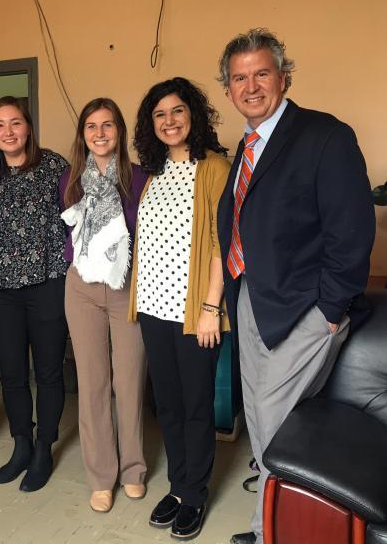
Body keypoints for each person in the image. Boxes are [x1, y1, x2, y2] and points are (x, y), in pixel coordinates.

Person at [215, 29, 375, 544]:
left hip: (304, 309)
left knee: (276, 427)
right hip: (253, 300)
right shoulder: (247, 145)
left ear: (283, 77)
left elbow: (351, 233)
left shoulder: (324, 135)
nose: (251, 86)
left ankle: (275, 534)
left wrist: (329, 311)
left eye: (262, 73)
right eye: (239, 78)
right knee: (261, 427)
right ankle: (270, 529)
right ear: (228, 89)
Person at [130, 77, 230, 540]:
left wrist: (212, 306)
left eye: (177, 111)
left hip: (195, 312)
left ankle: (195, 493)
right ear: (151, 125)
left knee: (195, 406)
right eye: (159, 114)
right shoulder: (151, 172)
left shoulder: (213, 167)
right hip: (152, 308)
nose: (169, 121)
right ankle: (176, 485)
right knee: (166, 405)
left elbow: (221, 242)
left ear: (193, 115)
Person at [59, 98, 149, 513]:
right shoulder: (70, 181)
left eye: (108, 125)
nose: (99, 134)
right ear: (83, 135)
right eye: (91, 126)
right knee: (92, 383)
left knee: (128, 382)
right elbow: (69, 234)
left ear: (120, 132)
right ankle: (101, 476)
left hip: (126, 287)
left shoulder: (140, 178)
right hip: (82, 288)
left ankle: (133, 470)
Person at [0, 97, 68, 492]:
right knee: (12, 373)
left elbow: (74, 221)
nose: (8, 131)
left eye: (15, 123)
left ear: (28, 127)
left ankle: (45, 446)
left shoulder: (54, 167)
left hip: (47, 284)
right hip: (1, 291)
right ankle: (21, 444)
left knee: (48, 371)